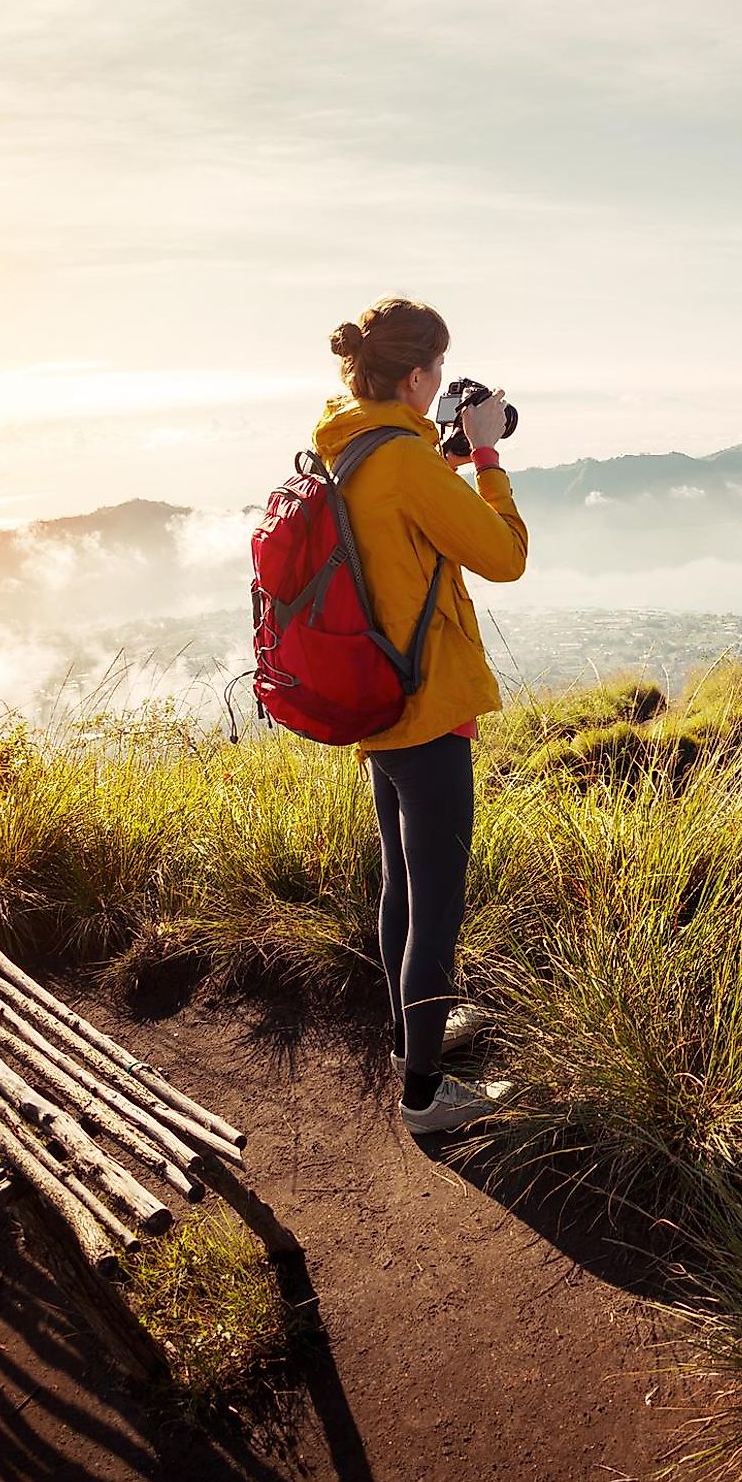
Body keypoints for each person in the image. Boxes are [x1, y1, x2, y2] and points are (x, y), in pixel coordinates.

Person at [315, 297, 528, 1135]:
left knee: (404, 884)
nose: (443, 382)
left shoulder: (355, 446)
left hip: (380, 703)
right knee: (436, 901)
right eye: (437, 370)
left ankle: (414, 1035)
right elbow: (505, 556)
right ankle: (425, 1098)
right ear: (415, 375)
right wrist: (483, 454)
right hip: (427, 706)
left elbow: (400, 523)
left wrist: (437, 451)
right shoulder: (401, 461)